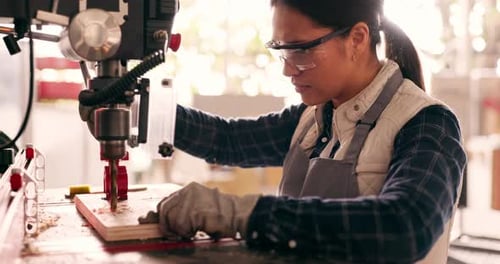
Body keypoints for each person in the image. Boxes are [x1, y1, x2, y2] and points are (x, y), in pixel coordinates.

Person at [138, 0, 467, 263]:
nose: (286, 67)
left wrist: (241, 214)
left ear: (357, 39)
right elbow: (227, 139)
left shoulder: (427, 124)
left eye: (301, 50)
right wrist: (141, 111)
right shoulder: (314, 118)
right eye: (282, 49)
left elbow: (404, 228)